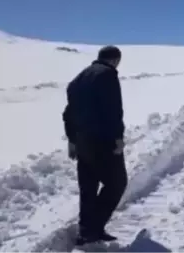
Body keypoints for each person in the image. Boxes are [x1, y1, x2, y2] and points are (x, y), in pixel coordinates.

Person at [62, 45, 128, 246]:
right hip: (103, 141)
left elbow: (68, 114)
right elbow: (113, 109)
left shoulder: (77, 80)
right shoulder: (108, 75)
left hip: (82, 142)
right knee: (117, 183)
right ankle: (93, 228)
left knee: (88, 187)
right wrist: (118, 137)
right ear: (115, 60)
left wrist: (72, 140)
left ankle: (86, 231)